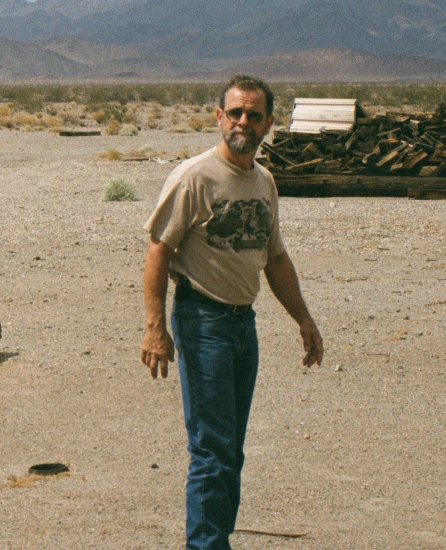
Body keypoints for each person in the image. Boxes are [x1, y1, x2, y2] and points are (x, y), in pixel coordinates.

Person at [140, 75, 323, 550]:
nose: (244, 122)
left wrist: (304, 319)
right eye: (235, 112)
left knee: (230, 452)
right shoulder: (195, 177)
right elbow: (158, 249)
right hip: (203, 322)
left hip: (243, 324)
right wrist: (156, 329)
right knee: (210, 451)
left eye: (254, 115)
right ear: (219, 117)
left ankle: (214, 540)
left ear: (268, 124)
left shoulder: (263, 182)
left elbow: (275, 258)